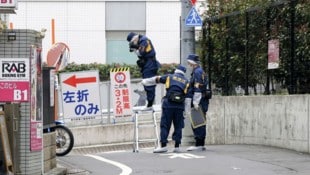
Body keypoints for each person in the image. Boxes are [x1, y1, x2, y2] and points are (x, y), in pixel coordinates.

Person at [141, 65, 190, 153]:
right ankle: (177, 146)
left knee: (165, 125)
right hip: (179, 106)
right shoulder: (186, 81)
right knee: (178, 126)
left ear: (176, 71)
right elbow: (187, 99)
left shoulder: (169, 77)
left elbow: (156, 79)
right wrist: (186, 112)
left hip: (168, 105)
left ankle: (163, 146)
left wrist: (145, 82)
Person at [127, 32, 161, 110]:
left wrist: (135, 47)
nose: (133, 43)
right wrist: (135, 48)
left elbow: (141, 52)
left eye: (132, 41)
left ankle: (150, 103)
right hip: (147, 64)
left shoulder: (144, 40)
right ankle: (150, 103)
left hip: (150, 64)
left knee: (149, 82)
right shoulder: (141, 40)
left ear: (135, 38)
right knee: (147, 83)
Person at [186, 54, 210, 151]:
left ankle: (199, 144)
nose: (188, 64)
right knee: (199, 122)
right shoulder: (199, 71)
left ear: (192, 63)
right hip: (202, 100)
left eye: (189, 62)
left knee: (198, 122)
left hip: (199, 100)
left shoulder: (197, 72)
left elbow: (198, 87)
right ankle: (200, 144)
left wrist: (195, 102)